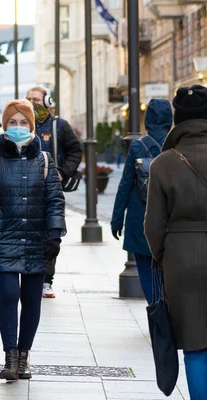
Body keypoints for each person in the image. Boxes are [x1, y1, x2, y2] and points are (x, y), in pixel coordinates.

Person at [0, 100, 66, 381]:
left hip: (37, 240)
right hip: (3, 239)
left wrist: (55, 233)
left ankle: (24, 356)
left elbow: (55, 201)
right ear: (4, 126)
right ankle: (10, 357)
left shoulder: (45, 161)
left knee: (31, 301)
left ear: (32, 126)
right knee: (10, 295)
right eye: (12, 122)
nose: (17, 127)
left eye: (23, 122)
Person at [145, 86, 207, 399]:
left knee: (195, 344)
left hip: (182, 261)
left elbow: (153, 225)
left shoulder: (164, 163)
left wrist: (162, 256)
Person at [111, 99, 172, 303]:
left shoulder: (138, 146)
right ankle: (169, 314)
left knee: (146, 271)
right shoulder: (175, 144)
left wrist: (116, 220)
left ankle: (156, 312)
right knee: (169, 272)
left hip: (140, 219)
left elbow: (126, 184)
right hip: (169, 219)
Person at [27, 87, 82, 298]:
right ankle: (29, 274)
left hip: (50, 189)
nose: (32, 103)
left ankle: (46, 281)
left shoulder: (59, 126)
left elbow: (75, 150)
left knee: (51, 232)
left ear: (47, 101)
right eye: (29, 99)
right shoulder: (22, 124)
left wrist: (62, 173)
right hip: (25, 187)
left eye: (36, 99)